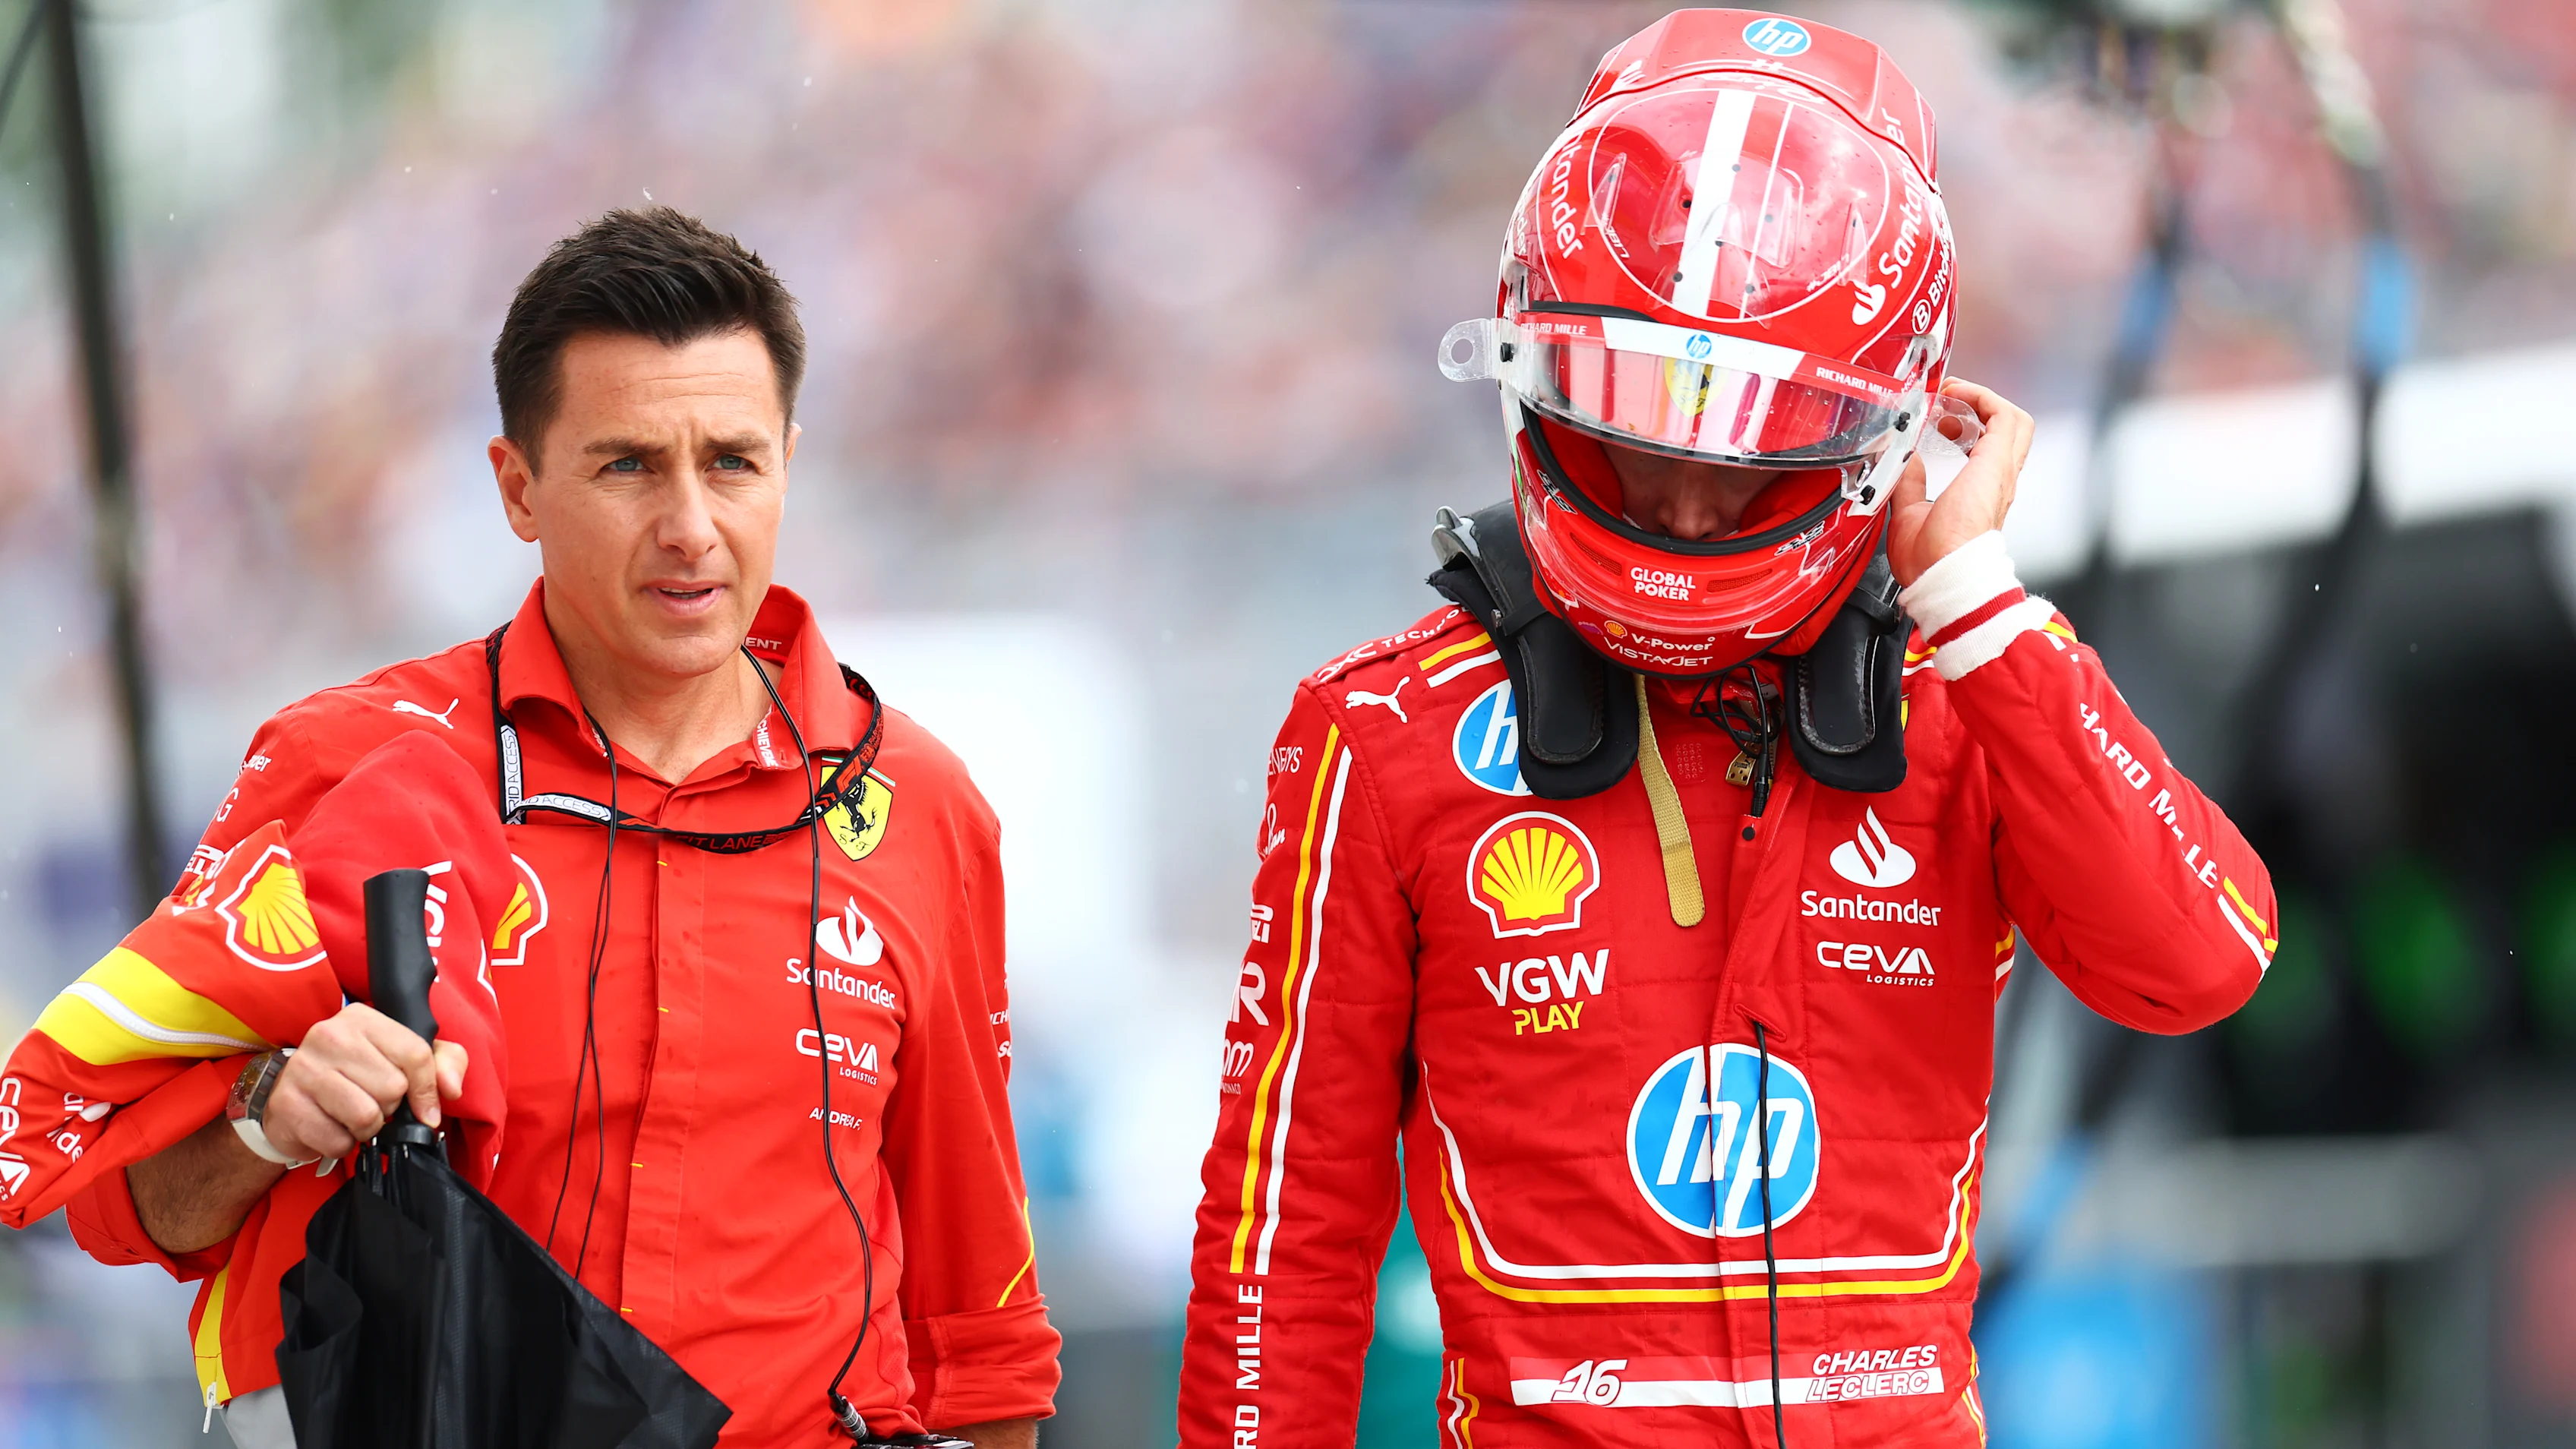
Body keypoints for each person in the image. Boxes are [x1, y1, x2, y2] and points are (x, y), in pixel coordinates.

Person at [1176, 11, 2274, 1446]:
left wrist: (1980, 606)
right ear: (1532, 369)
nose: (1688, 506)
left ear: (1886, 432)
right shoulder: (1376, 731)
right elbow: (1286, 1229)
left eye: (1751, 454)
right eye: (1639, 429)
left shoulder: (1972, 697)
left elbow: (2197, 966)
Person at [64, 208, 1058, 1447]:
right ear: (518, 487)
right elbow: (133, 1212)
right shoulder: (348, 763)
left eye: (733, 462)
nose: (692, 524)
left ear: (789, 465)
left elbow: (986, 1326)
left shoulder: (916, 802)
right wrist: (270, 1110)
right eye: (629, 464)